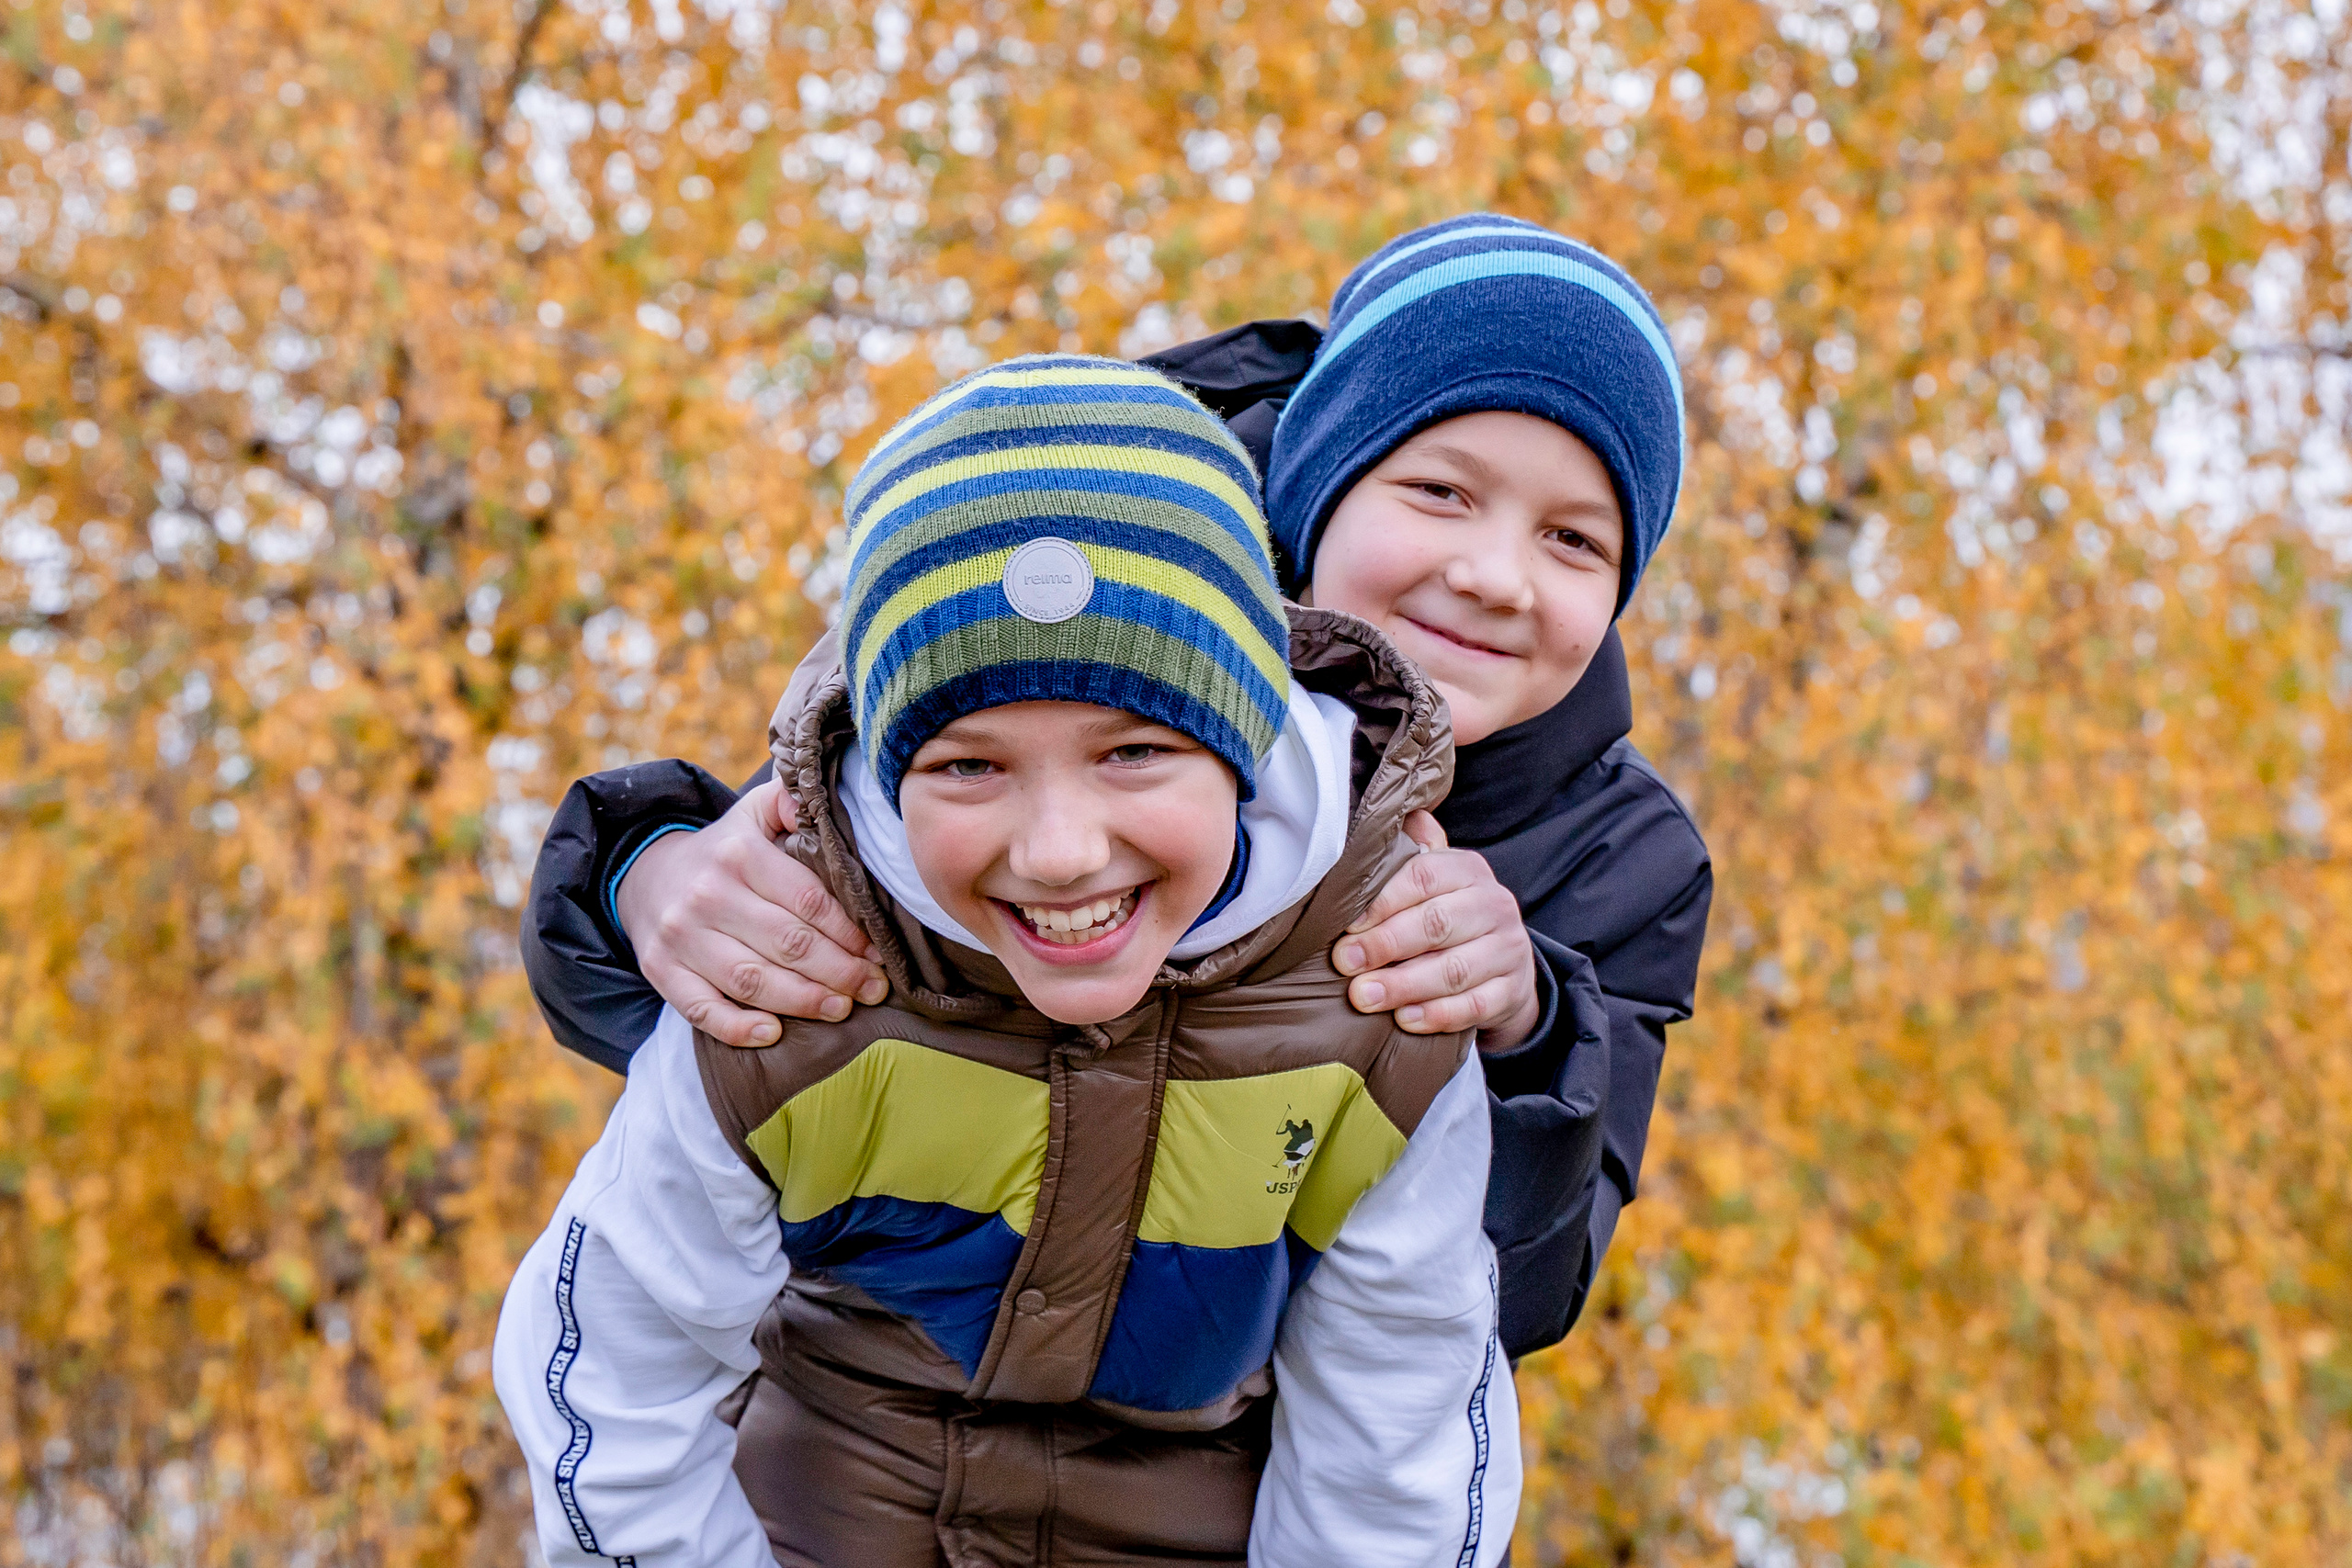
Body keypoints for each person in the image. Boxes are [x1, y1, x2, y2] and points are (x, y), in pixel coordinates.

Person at [523, 214, 1710, 1357]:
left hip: (1254, 1456)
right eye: (1442, 491)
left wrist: (1528, 1033)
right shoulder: (1091, 591)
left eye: (1575, 540)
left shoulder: (1623, 861)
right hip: (870, 1392)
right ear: (1320, 481)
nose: (1497, 575)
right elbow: (767, 940)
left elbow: (1521, 1297)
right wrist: (647, 880)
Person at [494, 357, 1516, 1568]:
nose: (1061, 851)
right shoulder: (798, 975)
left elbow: (1397, 1432)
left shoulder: (1379, 999)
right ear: (891, 767)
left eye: (1135, 752)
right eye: (970, 766)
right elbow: (612, 1379)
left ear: (1243, 746)